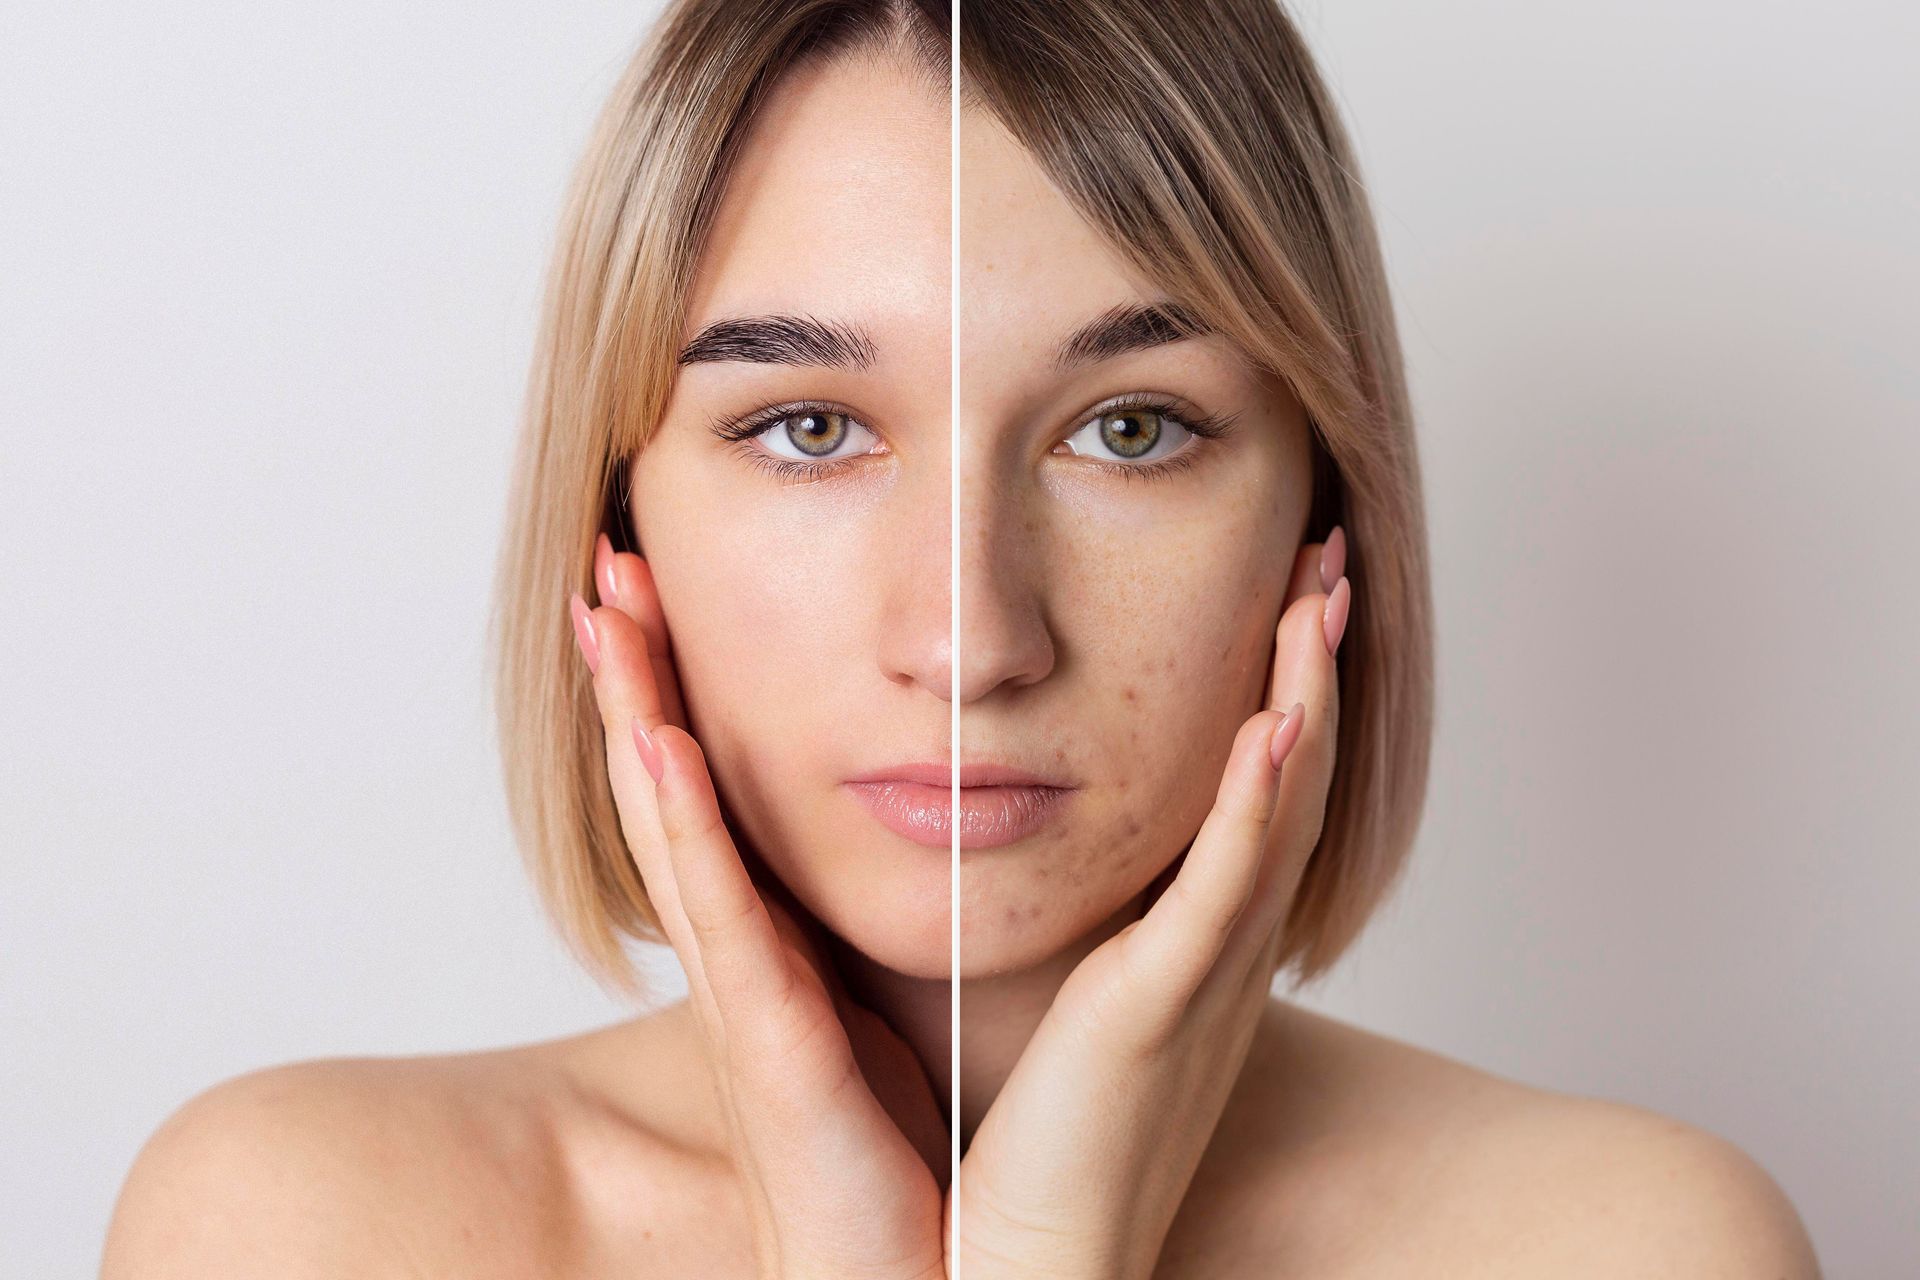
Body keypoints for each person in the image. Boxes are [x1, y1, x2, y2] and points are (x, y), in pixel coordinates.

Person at [100, 0, 1821, 1275]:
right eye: (809, 429)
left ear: (1324, 533)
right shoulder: (302, 1225)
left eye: (1129, 429)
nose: (970, 634)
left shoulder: (1630, 1246)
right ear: (620, 530)